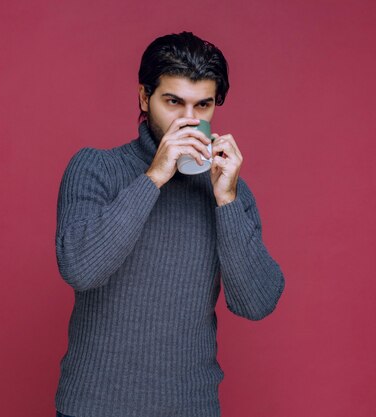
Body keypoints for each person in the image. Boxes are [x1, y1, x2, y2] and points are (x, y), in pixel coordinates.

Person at [54, 31, 285, 417]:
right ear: (145, 98)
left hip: (189, 407)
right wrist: (153, 178)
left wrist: (226, 200)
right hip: (93, 407)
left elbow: (256, 303)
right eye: (173, 102)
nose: (190, 120)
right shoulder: (95, 167)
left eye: (203, 105)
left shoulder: (228, 190)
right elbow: (80, 269)